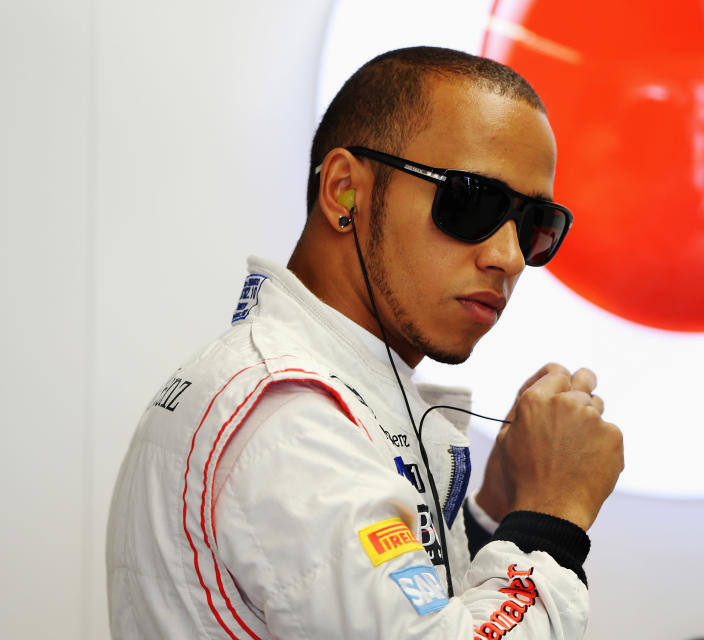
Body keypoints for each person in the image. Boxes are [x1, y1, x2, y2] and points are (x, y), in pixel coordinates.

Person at [106, 46, 624, 639]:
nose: (508, 257)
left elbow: (420, 612)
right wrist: (550, 523)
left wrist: (498, 511)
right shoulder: (293, 424)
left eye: (535, 224)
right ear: (345, 191)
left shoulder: (318, 392)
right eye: (472, 201)